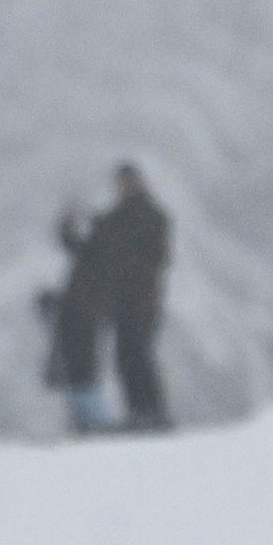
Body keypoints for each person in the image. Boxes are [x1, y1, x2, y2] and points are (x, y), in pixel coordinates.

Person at [88, 164, 172, 432]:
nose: (123, 187)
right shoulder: (116, 218)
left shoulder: (149, 215)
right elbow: (93, 250)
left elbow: (156, 256)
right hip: (122, 301)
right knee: (126, 357)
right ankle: (140, 411)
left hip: (142, 299)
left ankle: (152, 411)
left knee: (138, 354)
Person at [38, 203, 113, 435]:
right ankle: (87, 420)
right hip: (79, 320)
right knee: (77, 371)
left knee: (79, 371)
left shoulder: (97, 258)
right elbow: (70, 242)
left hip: (82, 322)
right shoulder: (97, 255)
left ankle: (94, 421)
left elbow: (85, 296)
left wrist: (59, 303)